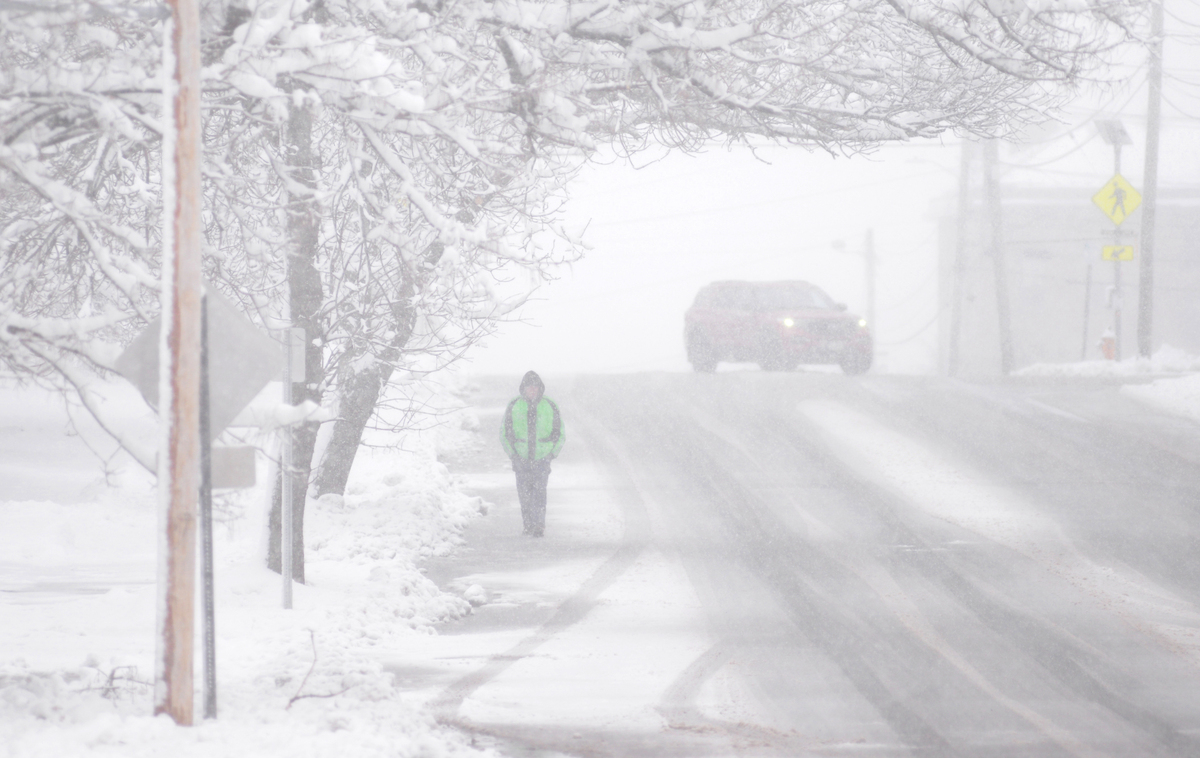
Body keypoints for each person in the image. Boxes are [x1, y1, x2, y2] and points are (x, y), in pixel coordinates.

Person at [500, 371, 565, 537]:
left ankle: (538, 525)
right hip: (520, 459)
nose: (533, 390)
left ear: (540, 388)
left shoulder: (550, 405)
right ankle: (528, 524)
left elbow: (560, 434)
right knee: (524, 494)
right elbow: (504, 434)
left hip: (542, 459)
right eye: (530, 387)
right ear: (524, 388)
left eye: (535, 387)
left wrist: (550, 455)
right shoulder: (514, 405)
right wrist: (513, 455)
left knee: (539, 492)